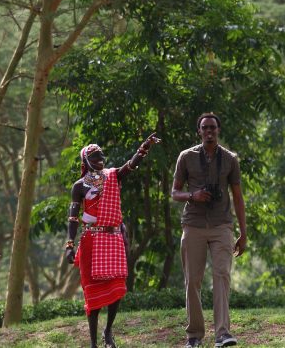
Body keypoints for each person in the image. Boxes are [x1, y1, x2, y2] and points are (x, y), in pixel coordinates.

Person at [65, 133, 162, 348]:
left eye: (101, 155)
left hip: (113, 238)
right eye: (95, 156)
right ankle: (93, 343)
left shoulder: (112, 176)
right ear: (85, 161)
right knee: (92, 292)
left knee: (117, 286)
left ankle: (108, 331)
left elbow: (130, 166)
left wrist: (144, 148)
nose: (100, 159)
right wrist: (69, 244)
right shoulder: (79, 186)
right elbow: (72, 218)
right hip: (91, 239)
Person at [171, 113, 247, 348]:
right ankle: (194, 336)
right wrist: (193, 196)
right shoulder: (186, 157)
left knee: (222, 276)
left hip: (222, 225)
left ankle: (223, 334)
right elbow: (175, 193)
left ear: (218, 130)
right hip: (193, 224)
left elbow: (237, 196)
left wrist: (243, 233)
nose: (209, 131)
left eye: (213, 127)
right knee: (192, 280)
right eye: (205, 128)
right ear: (199, 131)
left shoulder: (230, 159)